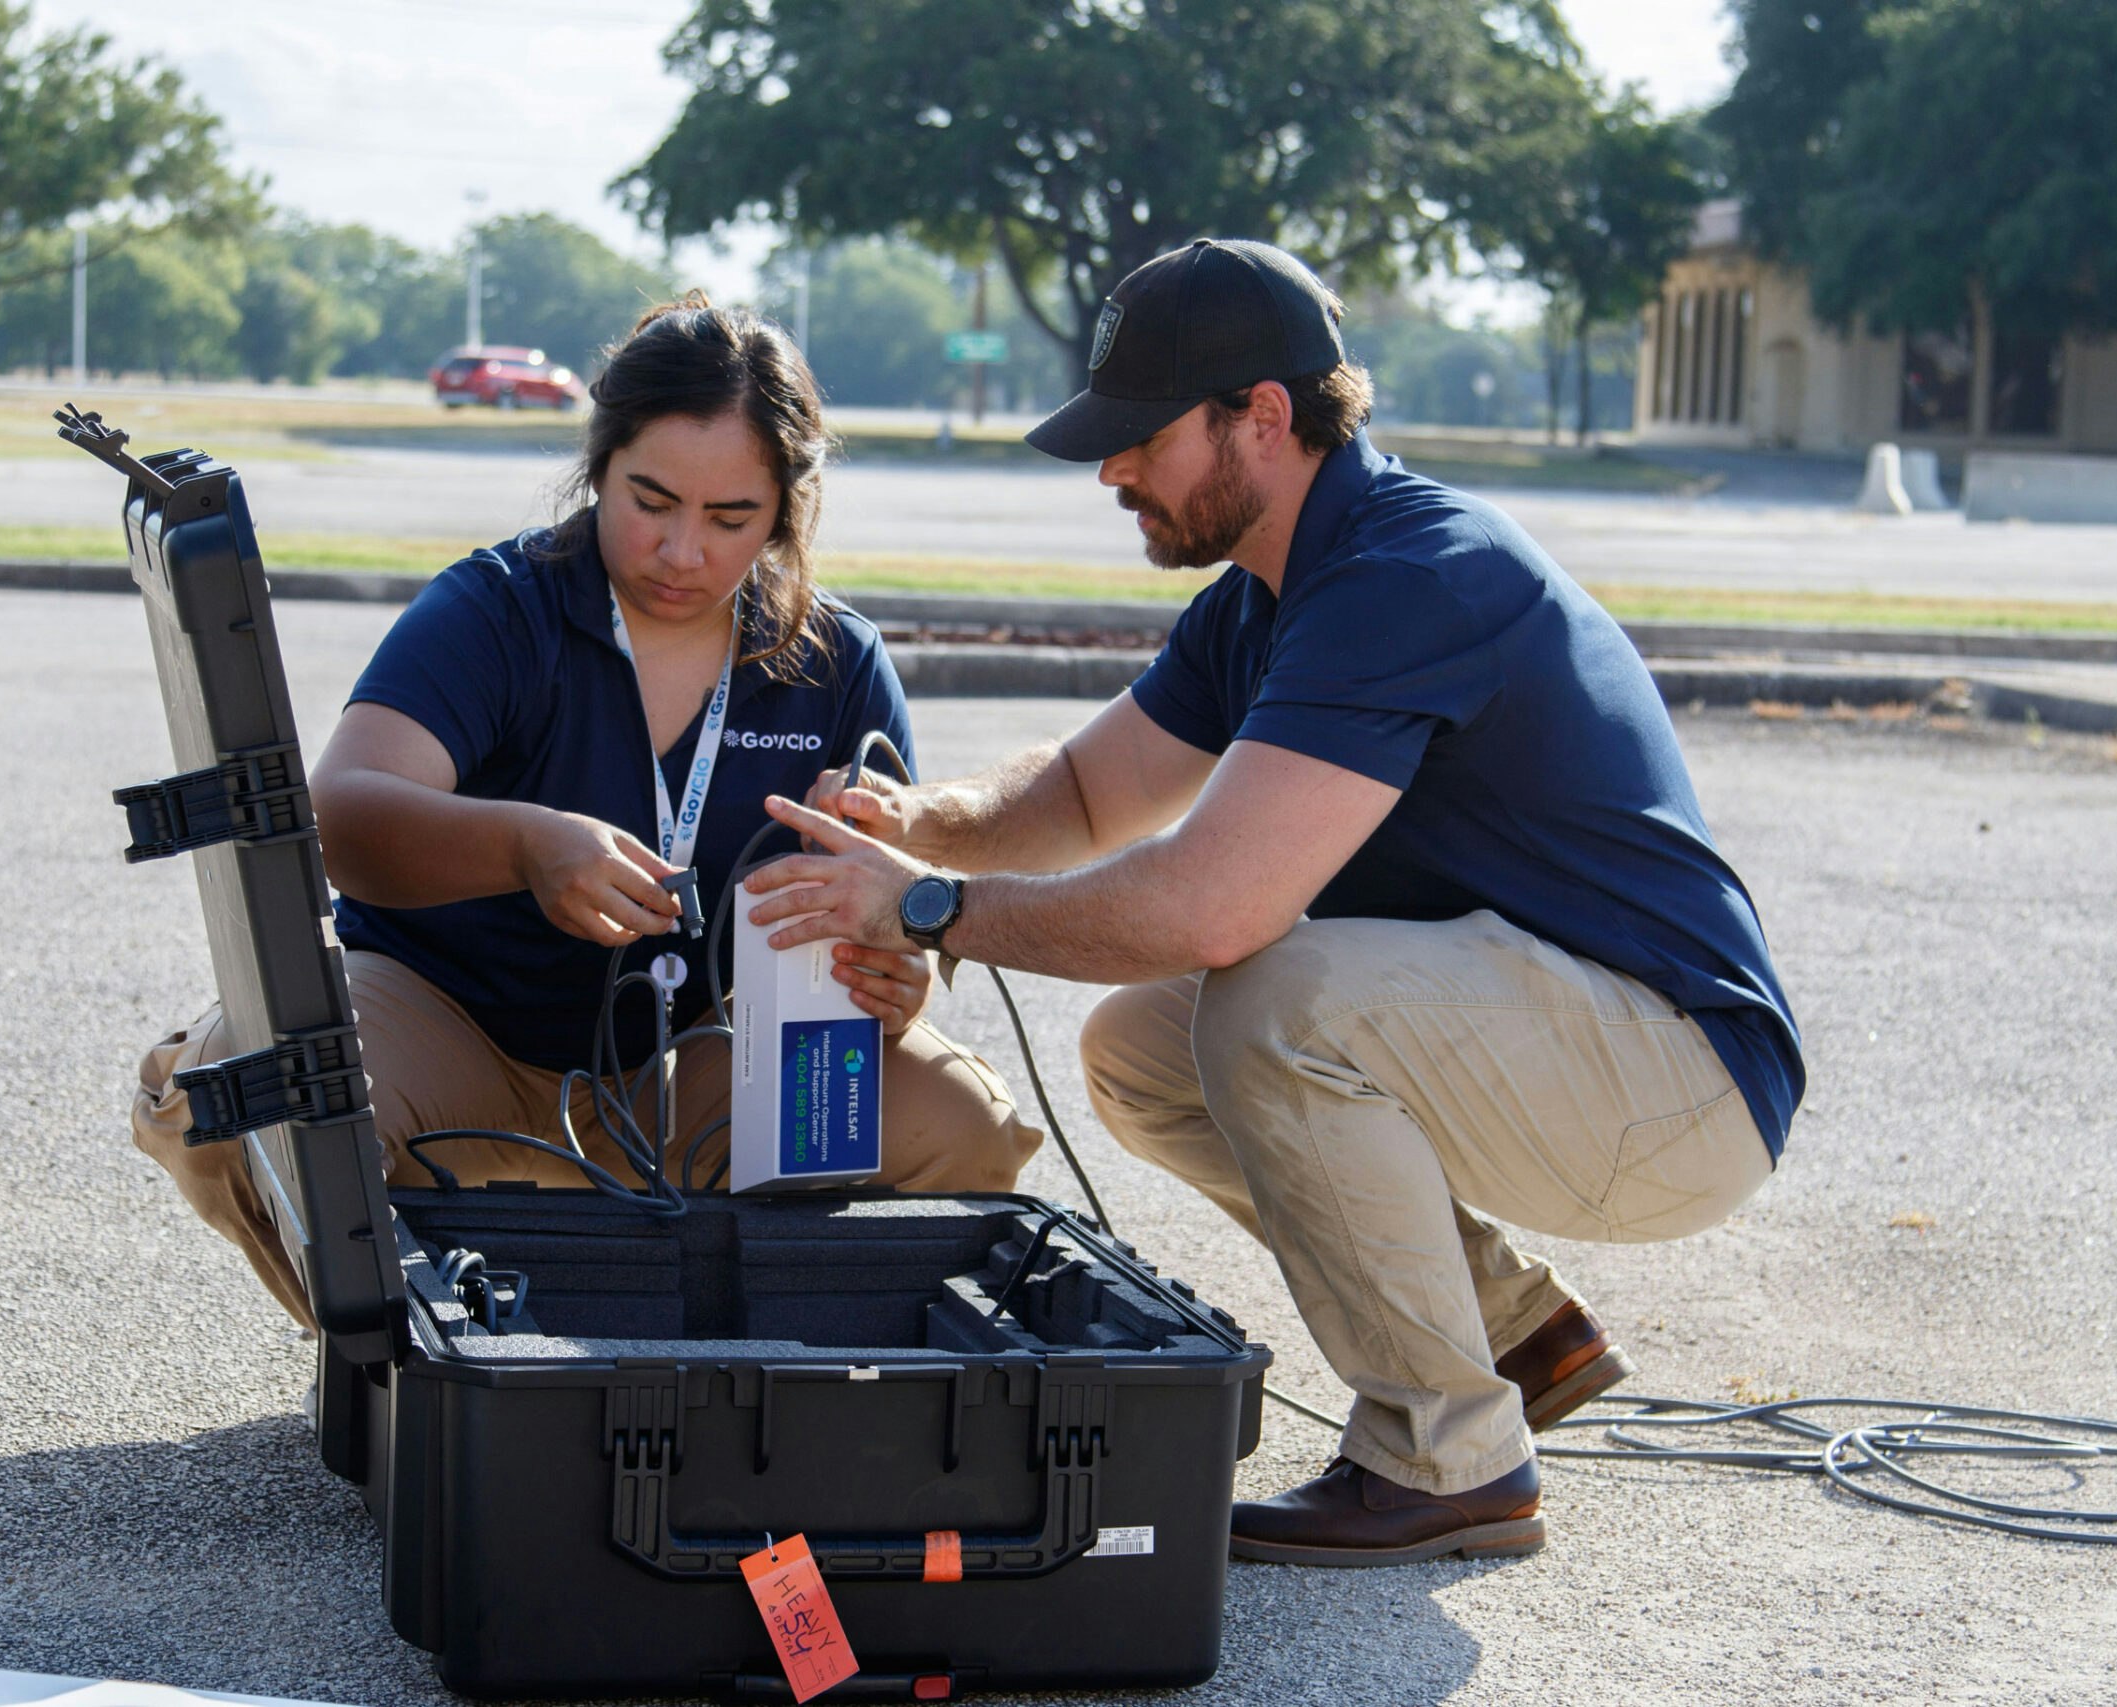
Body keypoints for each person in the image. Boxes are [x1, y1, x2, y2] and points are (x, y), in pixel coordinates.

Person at [736, 239, 1805, 1566]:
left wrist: (931, 907)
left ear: (1264, 415)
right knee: (1143, 1047)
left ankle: (1445, 1457)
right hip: (1569, 1038)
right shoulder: (1270, 592)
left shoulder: (1407, 575)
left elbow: (1210, 908)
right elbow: (1083, 793)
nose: (1112, 470)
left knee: (1269, 996)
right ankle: (1512, 1330)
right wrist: (919, 822)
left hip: (1678, 1078)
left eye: (1139, 436)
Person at [133, 294, 1040, 1329]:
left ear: (787, 510)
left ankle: (742, 1378)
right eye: (649, 499)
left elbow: (875, 910)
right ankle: (408, 1365)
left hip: (691, 1063)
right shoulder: (496, 607)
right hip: (449, 1043)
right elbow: (341, 815)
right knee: (250, 1092)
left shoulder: (834, 663)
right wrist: (524, 846)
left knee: (958, 1123)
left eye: (731, 518)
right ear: (598, 464)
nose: (680, 551)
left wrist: (893, 973)